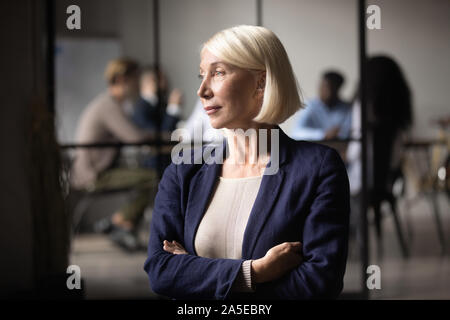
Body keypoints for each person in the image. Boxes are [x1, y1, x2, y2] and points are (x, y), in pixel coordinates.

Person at [144, 25, 350, 299]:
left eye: (218, 73)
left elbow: (319, 284)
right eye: (201, 75)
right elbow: (161, 271)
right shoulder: (183, 168)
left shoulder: (318, 168)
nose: (201, 90)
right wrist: (254, 273)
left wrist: (196, 274)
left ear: (261, 82)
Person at [71, 57, 158, 251]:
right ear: (121, 80)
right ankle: (119, 222)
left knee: (150, 176)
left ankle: (122, 225)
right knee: (155, 177)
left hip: (98, 170)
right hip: (94, 175)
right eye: (135, 79)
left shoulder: (110, 103)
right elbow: (134, 137)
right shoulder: (108, 106)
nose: (137, 84)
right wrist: (164, 136)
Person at [346, 55, 413, 252]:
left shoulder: (362, 105)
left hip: (359, 183)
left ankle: (347, 239)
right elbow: (395, 156)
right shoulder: (398, 108)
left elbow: (356, 150)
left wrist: (345, 155)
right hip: (386, 183)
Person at [130, 66, 183, 170]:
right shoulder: (141, 108)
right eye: (162, 80)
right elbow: (161, 136)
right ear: (151, 81)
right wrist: (173, 108)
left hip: (168, 160)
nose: (165, 84)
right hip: (153, 165)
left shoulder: (158, 104)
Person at [291, 71, 352, 141]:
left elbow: (349, 134)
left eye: (328, 87)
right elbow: (296, 133)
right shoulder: (309, 106)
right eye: (322, 86)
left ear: (338, 88)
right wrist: (323, 134)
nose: (322, 90)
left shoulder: (347, 109)